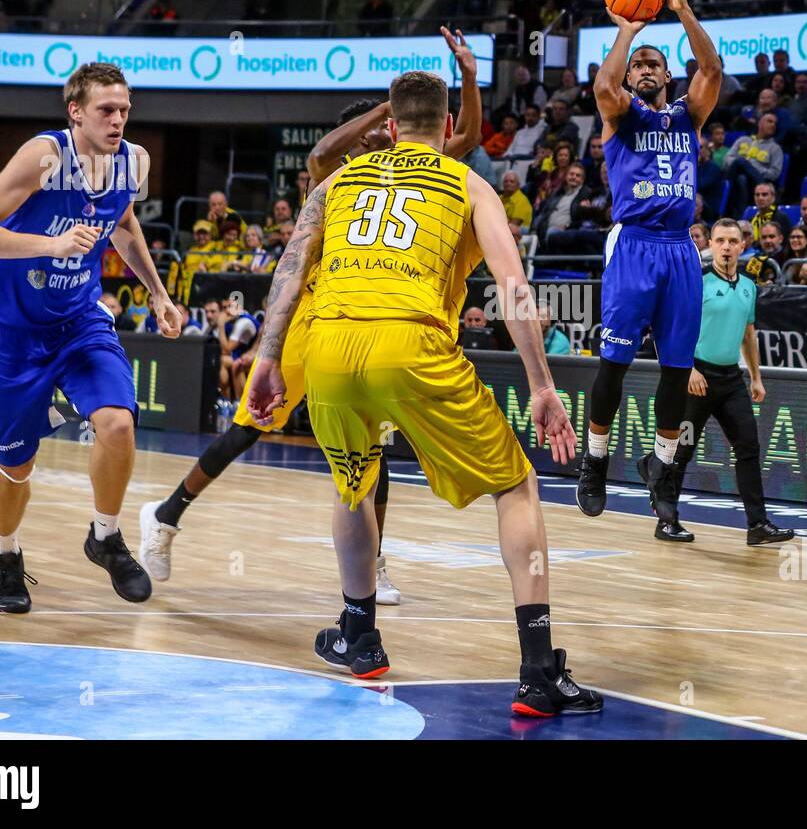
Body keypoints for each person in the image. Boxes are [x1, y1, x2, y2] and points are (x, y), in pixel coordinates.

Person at [246, 69, 600, 717]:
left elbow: (289, 270)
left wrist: (267, 359)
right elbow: (514, 285)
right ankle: (537, 672)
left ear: (388, 128)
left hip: (327, 349)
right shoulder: (468, 182)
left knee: (353, 483)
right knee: (515, 485)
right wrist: (542, 385)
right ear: (445, 127)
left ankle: (360, 634)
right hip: (410, 345)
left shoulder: (337, 181)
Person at [137, 31, 483, 606]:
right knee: (248, 429)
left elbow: (466, 135)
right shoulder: (335, 178)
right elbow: (320, 154)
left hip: (366, 321)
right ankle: (167, 515)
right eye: (376, 137)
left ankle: (374, 565)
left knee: (374, 445)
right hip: (307, 319)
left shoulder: (421, 172)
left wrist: (466, 79)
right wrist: (382, 111)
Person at [0, 63, 181, 613]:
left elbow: (123, 224)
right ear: (75, 111)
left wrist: (157, 291)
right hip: (8, 329)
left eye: (125, 109)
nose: (119, 119)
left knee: (118, 423)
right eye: (106, 109)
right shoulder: (44, 157)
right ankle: (7, 556)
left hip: (77, 320)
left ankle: (104, 536)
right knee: (16, 466)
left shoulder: (132, 161)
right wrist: (48, 246)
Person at [576, 0, 721, 532]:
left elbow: (711, 68)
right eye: (637, 65)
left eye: (652, 65)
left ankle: (660, 470)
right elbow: (602, 87)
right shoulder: (620, 115)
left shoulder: (688, 115)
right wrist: (628, 31)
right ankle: (594, 460)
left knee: (675, 371)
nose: (641, 70)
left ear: (666, 75)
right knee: (613, 364)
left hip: (681, 250)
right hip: (635, 246)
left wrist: (682, 10)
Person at [664, 219, 795, 545]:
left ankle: (757, 525)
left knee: (748, 447)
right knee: (681, 451)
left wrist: (756, 377)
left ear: (741, 246)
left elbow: (748, 335)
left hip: (731, 379)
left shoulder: (750, 286)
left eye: (731, 241)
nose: (725, 247)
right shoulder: (698, 281)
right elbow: (673, 328)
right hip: (698, 377)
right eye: (719, 240)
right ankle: (667, 521)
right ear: (710, 244)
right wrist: (688, 370)